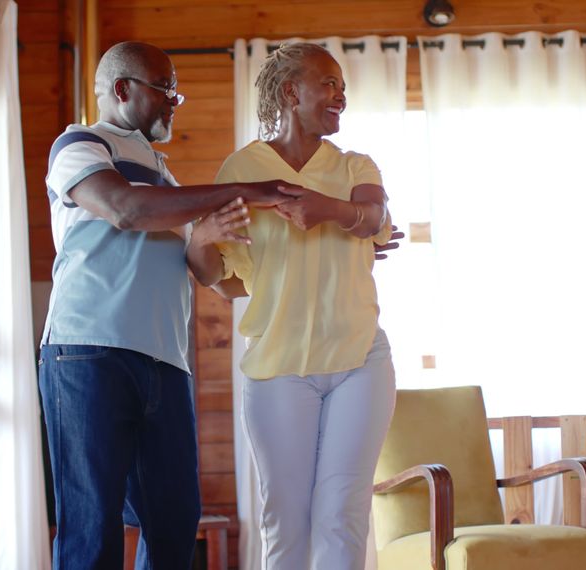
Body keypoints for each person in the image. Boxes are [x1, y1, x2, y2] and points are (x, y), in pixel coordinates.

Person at [38, 41, 309, 570]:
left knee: (174, 524)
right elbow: (123, 208)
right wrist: (245, 190)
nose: (175, 103)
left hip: (165, 363)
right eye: (167, 90)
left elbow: (201, 267)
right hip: (88, 353)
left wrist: (210, 235)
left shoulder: (166, 176)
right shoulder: (79, 143)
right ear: (122, 90)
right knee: (92, 529)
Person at [187, 42, 398, 569]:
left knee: (341, 514)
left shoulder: (354, 165)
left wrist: (326, 210)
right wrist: (200, 240)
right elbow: (226, 279)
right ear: (290, 91)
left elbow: (374, 216)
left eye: (343, 88)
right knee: (285, 519)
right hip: (279, 369)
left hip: (360, 362)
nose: (341, 98)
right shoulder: (243, 168)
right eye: (329, 85)